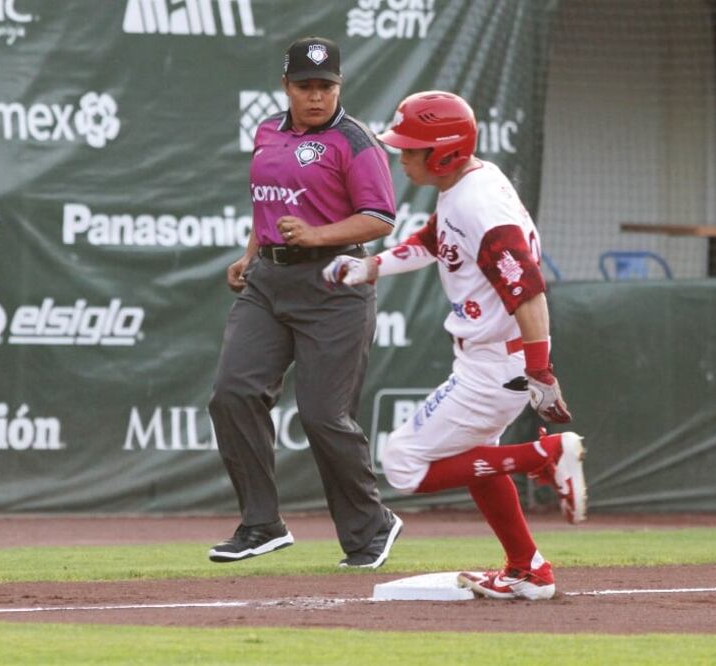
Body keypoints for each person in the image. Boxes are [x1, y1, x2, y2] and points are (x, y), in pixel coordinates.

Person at [322, 91, 587, 600]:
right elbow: (435, 237)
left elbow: (528, 289)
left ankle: (546, 456)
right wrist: (374, 265)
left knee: (403, 463)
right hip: (491, 358)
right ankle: (528, 569)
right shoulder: (468, 183)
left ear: (443, 152)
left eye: (411, 148)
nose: (401, 156)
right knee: (478, 460)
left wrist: (541, 371)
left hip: (495, 364)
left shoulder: (477, 202)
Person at [207, 36, 402, 569]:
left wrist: (314, 236)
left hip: (336, 284)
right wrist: (252, 254)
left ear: (339, 86)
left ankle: (371, 527)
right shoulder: (268, 130)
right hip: (270, 280)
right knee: (232, 392)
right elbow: (268, 203)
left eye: (326, 86)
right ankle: (261, 523)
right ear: (286, 86)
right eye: (305, 86)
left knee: (322, 415)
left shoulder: (355, 140)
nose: (316, 96)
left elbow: (381, 218)